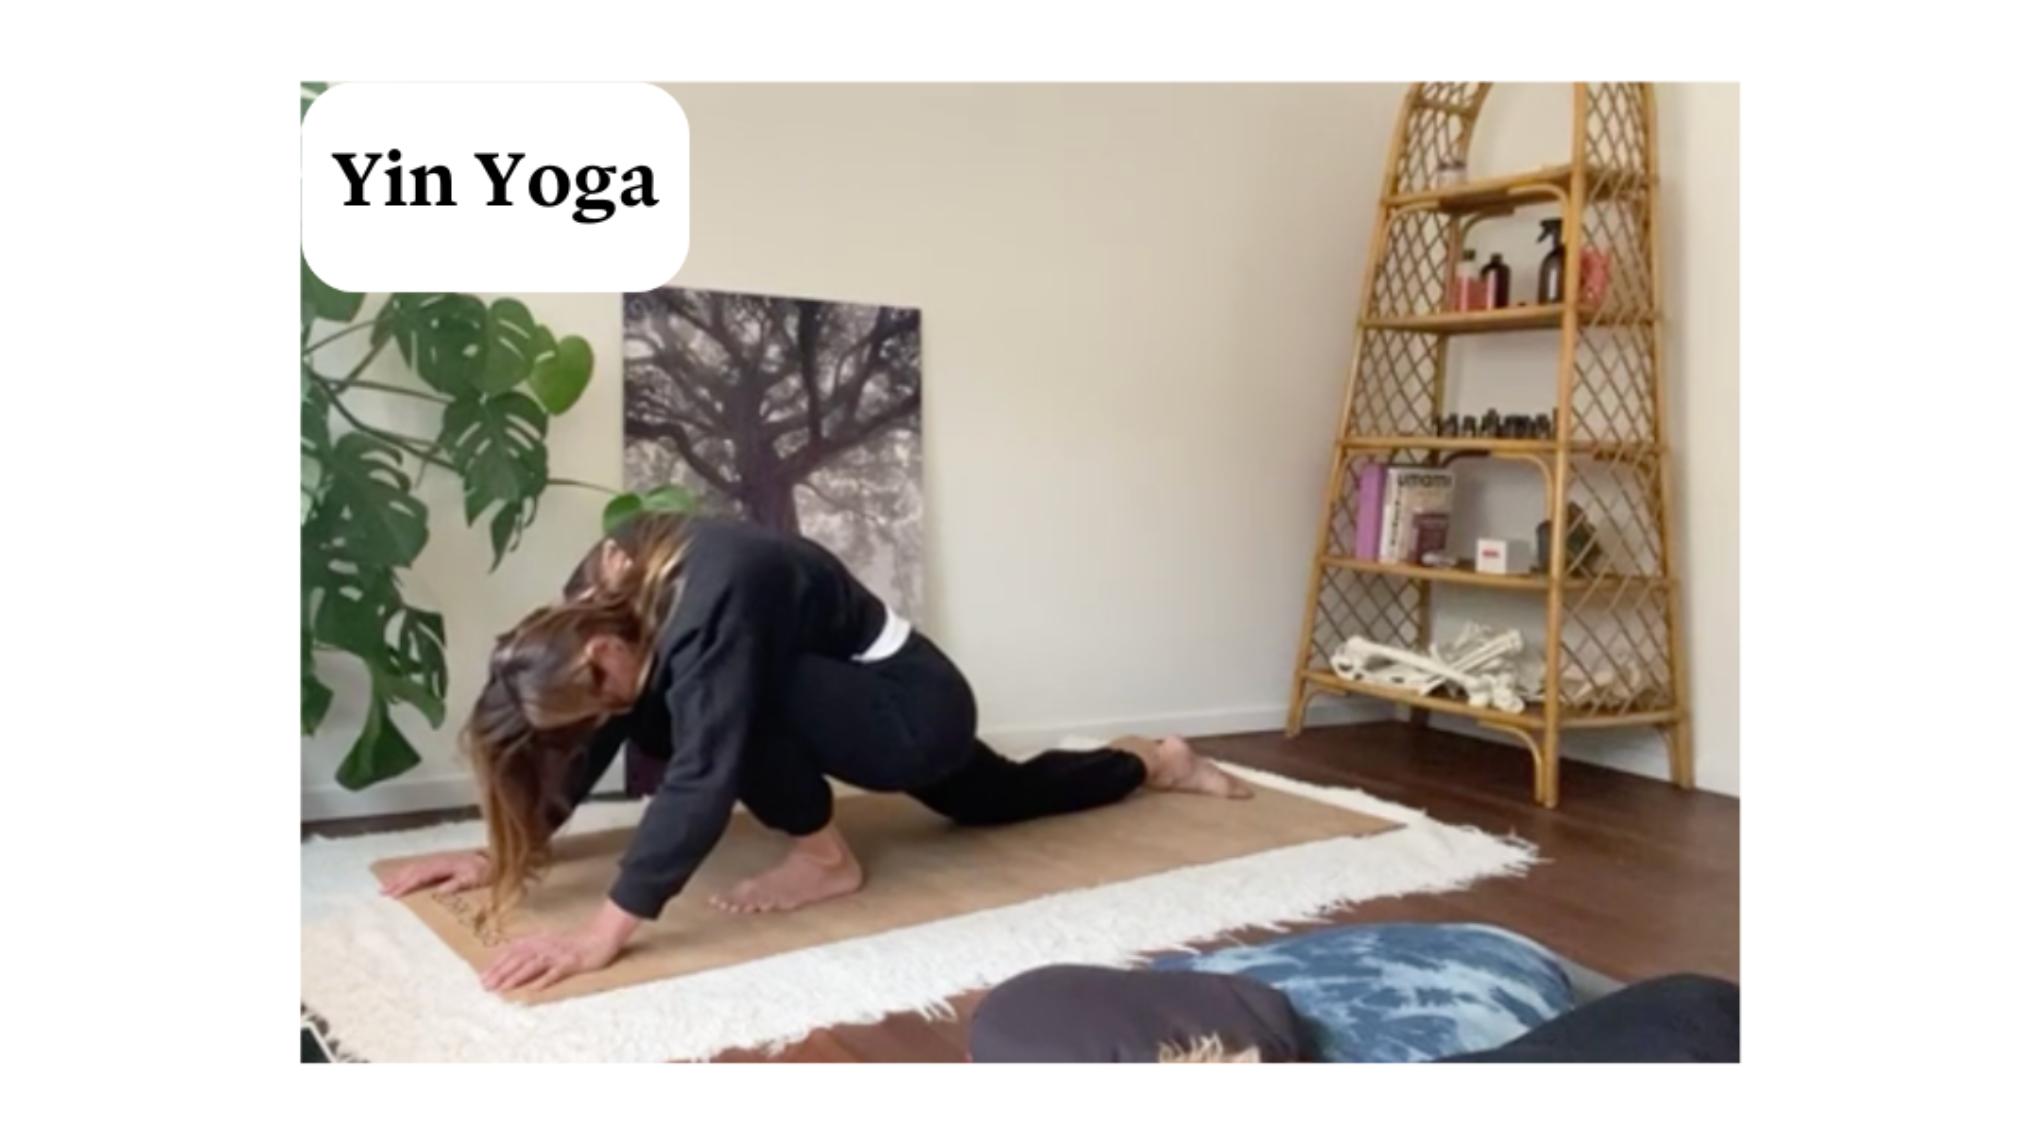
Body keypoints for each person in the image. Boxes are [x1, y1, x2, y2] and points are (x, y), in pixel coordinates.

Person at [377, 512, 1251, 995]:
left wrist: (601, 933)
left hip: (912, 706)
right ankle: (1156, 763)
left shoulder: (711, 590)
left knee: (706, 706)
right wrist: (507, 846)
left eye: (598, 689)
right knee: (999, 798)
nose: (601, 713)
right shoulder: (595, 605)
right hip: (858, 696)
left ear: (600, 651)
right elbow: (594, 726)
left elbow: (706, 767)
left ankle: (827, 860)